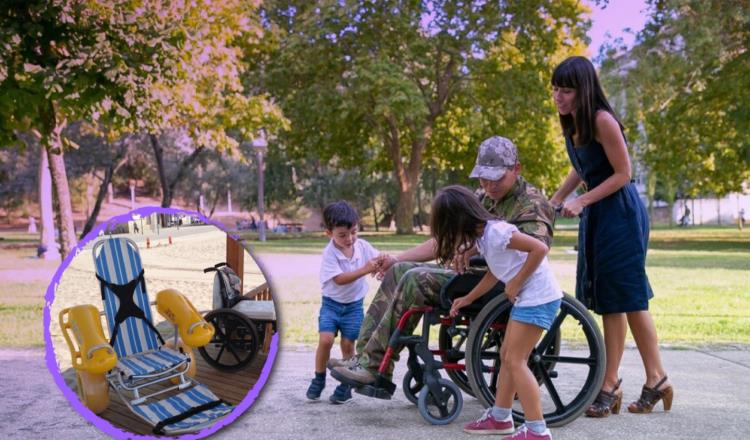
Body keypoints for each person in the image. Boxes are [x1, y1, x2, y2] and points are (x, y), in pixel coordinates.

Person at [330, 136, 555, 388]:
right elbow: (445, 241)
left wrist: (470, 250)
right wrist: (397, 258)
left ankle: (375, 366)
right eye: (483, 178)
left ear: (517, 169)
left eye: (497, 178)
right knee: (399, 271)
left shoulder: (532, 204)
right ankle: (364, 359)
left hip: (503, 284)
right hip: (470, 276)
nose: (489, 185)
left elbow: (536, 251)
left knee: (415, 280)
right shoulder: (484, 198)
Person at [549, 56, 672, 418]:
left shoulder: (602, 120)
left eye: (566, 89)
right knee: (627, 300)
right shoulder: (574, 123)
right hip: (601, 215)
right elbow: (582, 166)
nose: (558, 96)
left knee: (618, 300)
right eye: (555, 88)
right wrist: (556, 198)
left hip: (619, 214)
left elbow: (623, 173)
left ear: (583, 90)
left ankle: (610, 383)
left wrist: (582, 200)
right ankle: (657, 378)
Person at [431, 185, 561, 439]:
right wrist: (468, 297)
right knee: (507, 356)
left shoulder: (498, 232)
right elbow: (496, 272)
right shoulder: (484, 238)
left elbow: (540, 249)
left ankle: (537, 430)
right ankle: (500, 417)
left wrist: (517, 281)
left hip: (539, 298)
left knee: (515, 360)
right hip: (529, 298)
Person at [306, 201, 381, 404]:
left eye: (353, 232)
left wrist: (383, 264)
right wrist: (366, 269)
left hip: (354, 306)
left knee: (348, 345)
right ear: (329, 233)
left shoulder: (362, 247)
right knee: (326, 341)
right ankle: (319, 378)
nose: (349, 239)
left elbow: (379, 258)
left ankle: (346, 384)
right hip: (331, 305)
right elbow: (339, 279)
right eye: (342, 235)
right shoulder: (330, 254)